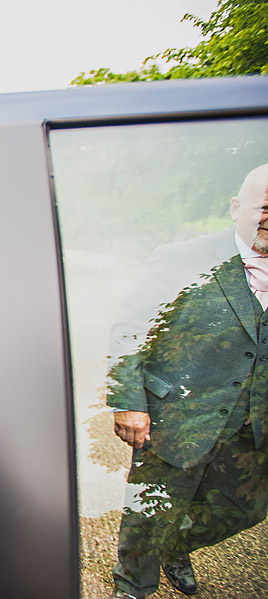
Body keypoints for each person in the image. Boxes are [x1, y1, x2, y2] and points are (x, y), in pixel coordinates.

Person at [107, 163, 268, 599]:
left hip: (254, 428)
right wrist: (127, 400)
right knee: (151, 511)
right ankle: (133, 585)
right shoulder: (182, 259)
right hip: (175, 418)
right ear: (237, 207)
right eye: (266, 206)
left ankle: (175, 546)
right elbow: (131, 329)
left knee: (242, 509)